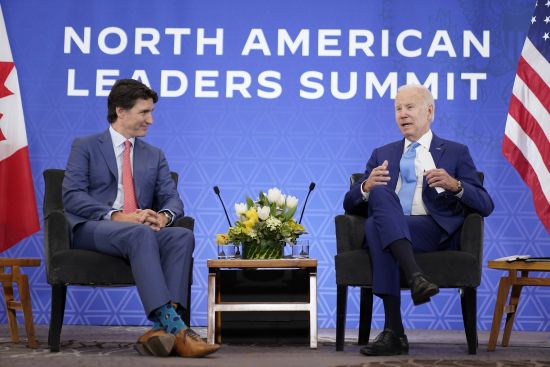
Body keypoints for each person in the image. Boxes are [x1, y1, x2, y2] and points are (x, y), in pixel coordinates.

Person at [62, 79, 220, 358]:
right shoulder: (85, 146)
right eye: (144, 112)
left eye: (151, 112)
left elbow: (173, 199)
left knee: (181, 235)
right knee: (139, 232)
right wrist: (118, 216)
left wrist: (162, 217)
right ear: (121, 111)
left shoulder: (154, 155)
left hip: (140, 231)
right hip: (94, 229)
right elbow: (72, 196)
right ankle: (178, 329)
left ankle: (164, 330)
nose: (151, 119)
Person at [343, 84, 494, 356]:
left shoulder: (455, 152)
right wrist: (366, 187)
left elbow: (485, 204)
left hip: (432, 230)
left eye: (410, 107)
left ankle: (394, 332)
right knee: (378, 202)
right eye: (398, 108)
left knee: (375, 227)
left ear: (430, 111)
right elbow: (349, 202)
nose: (403, 114)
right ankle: (415, 279)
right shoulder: (382, 153)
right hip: (393, 225)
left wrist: (455, 185)